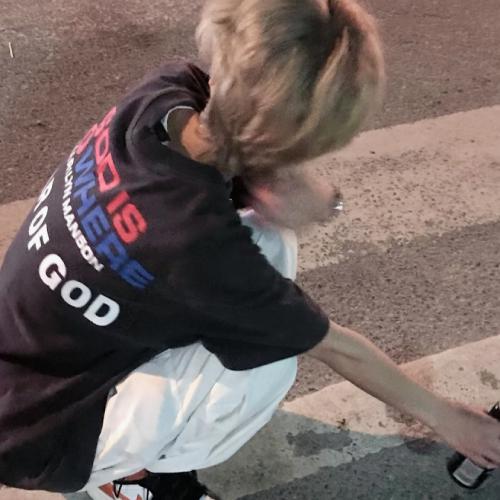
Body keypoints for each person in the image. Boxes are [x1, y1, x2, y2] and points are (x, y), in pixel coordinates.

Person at [1, 0, 500, 499]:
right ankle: (129, 476)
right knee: (267, 367)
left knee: (266, 242)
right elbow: (333, 345)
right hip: (38, 437)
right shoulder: (200, 246)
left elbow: (237, 153)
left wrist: (291, 184)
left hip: (24, 358)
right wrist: (451, 419)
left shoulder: (166, 92)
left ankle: (130, 431)